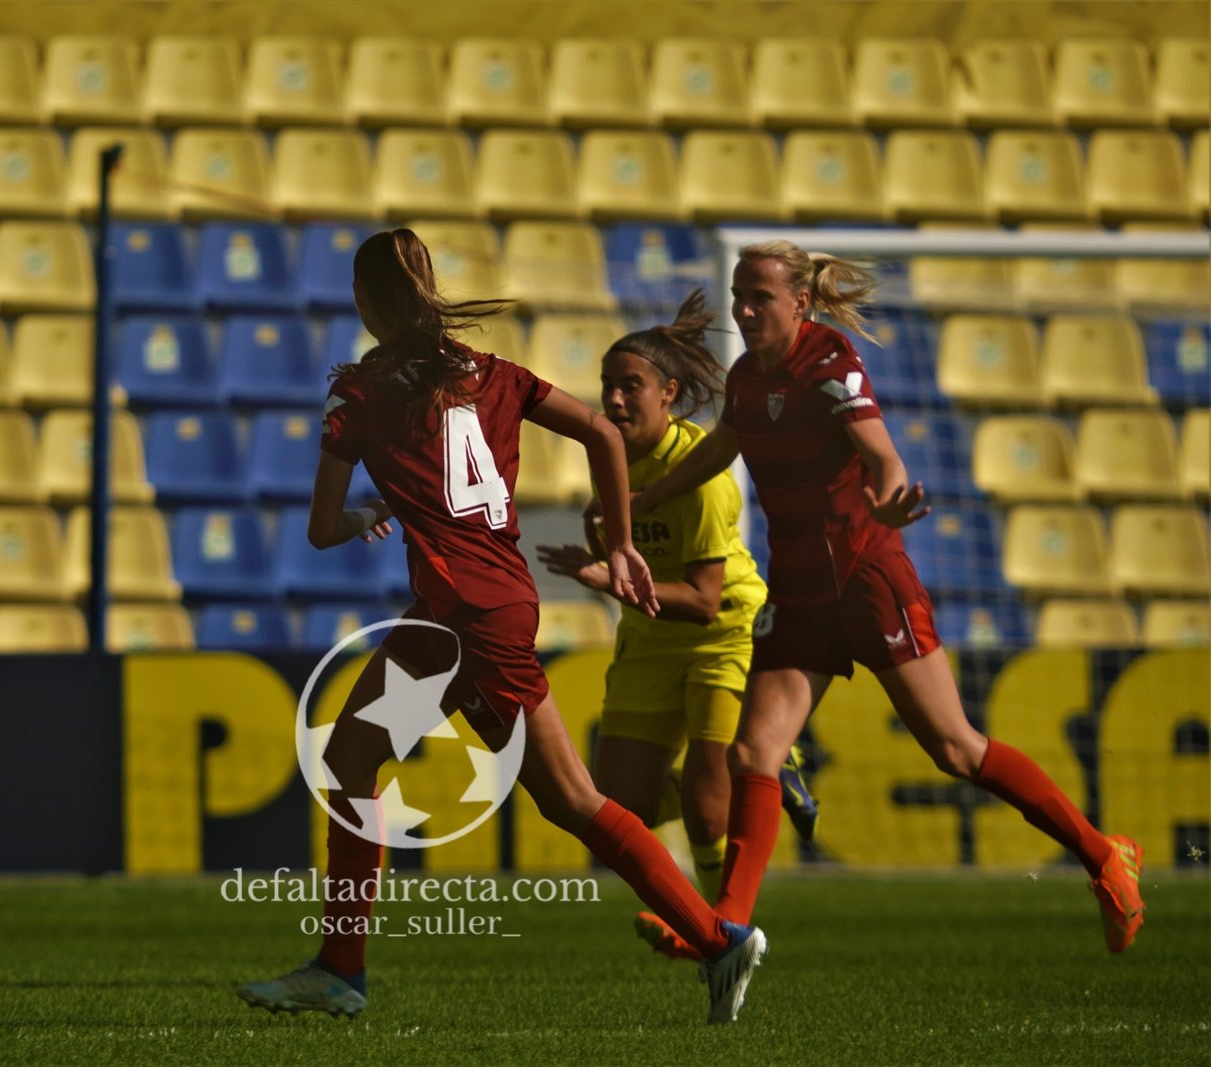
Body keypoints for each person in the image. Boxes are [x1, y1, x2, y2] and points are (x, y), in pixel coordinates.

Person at [235, 229, 767, 1026]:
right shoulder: (494, 374)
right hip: (485, 603)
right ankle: (339, 967)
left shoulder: (360, 392)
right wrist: (621, 541)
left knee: (572, 799)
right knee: (358, 757)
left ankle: (718, 939)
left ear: (365, 302)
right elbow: (597, 431)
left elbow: (318, 527)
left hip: (464, 614)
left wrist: (365, 513)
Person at [623, 241, 1143, 961]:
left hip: (867, 577)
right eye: (740, 296)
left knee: (956, 749)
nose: (743, 310)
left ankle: (1104, 856)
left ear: (799, 303)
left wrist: (893, 495)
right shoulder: (746, 376)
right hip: (801, 591)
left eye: (759, 298)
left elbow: (881, 451)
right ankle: (726, 928)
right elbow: (721, 448)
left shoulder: (829, 362)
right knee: (755, 750)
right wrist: (647, 495)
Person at [535, 291, 816, 929]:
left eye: (630, 386)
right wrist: (600, 549)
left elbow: (704, 601)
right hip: (649, 634)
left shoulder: (702, 475)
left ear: (669, 392)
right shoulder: (609, 453)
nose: (613, 400)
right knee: (613, 809)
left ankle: (722, 935)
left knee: (707, 812)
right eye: (607, 385)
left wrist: (604, 579)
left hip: (724, 633)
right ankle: (730, 779)